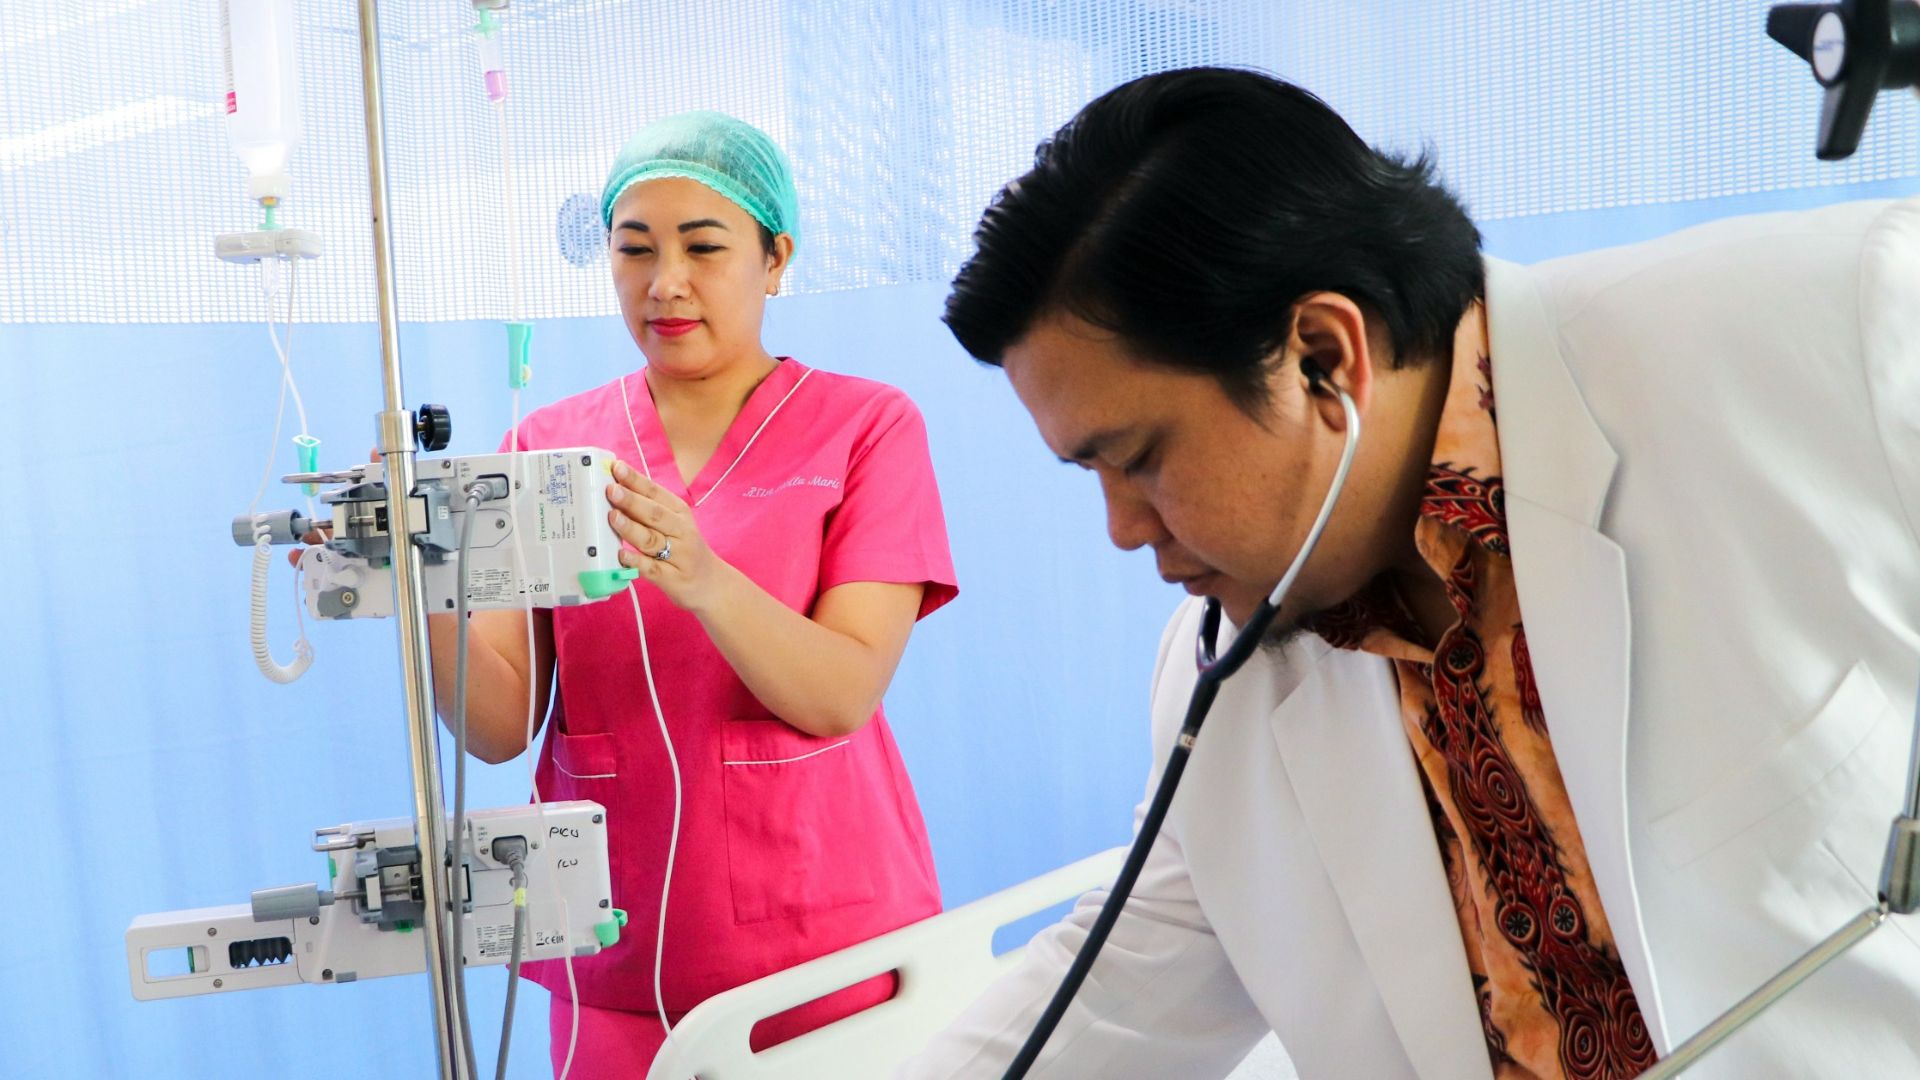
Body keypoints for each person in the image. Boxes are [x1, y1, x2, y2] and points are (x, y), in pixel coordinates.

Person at [899, 68, 1920, 1079]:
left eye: (1138, 457)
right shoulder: (1225, 680)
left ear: (1321, 357)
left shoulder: (1843, 335)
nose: (1121, 530)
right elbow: (1111, 988)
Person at [445, 111, 956, 1075]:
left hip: (822, 955)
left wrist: (706, 578)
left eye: (704, 247)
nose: (664, 282)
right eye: (633, 250)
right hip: (613, 951)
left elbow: (841, 692)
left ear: (775, 259)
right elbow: (498, 725)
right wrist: (422, 583)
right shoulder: (547, 451)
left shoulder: (867, 427)